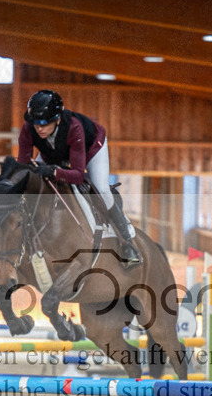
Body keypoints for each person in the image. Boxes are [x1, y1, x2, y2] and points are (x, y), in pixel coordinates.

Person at [17, 89, 142, 265]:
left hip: (91, 147)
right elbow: (23, 167)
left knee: (101, 189)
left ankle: (127, 240)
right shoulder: (29, 129)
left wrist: (54, 172)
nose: (39, 128)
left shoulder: (74, 127)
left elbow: (77, 175)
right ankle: (24, 243)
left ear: (57, 119)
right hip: (54, 151)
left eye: (44, 123)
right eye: (35, 123)